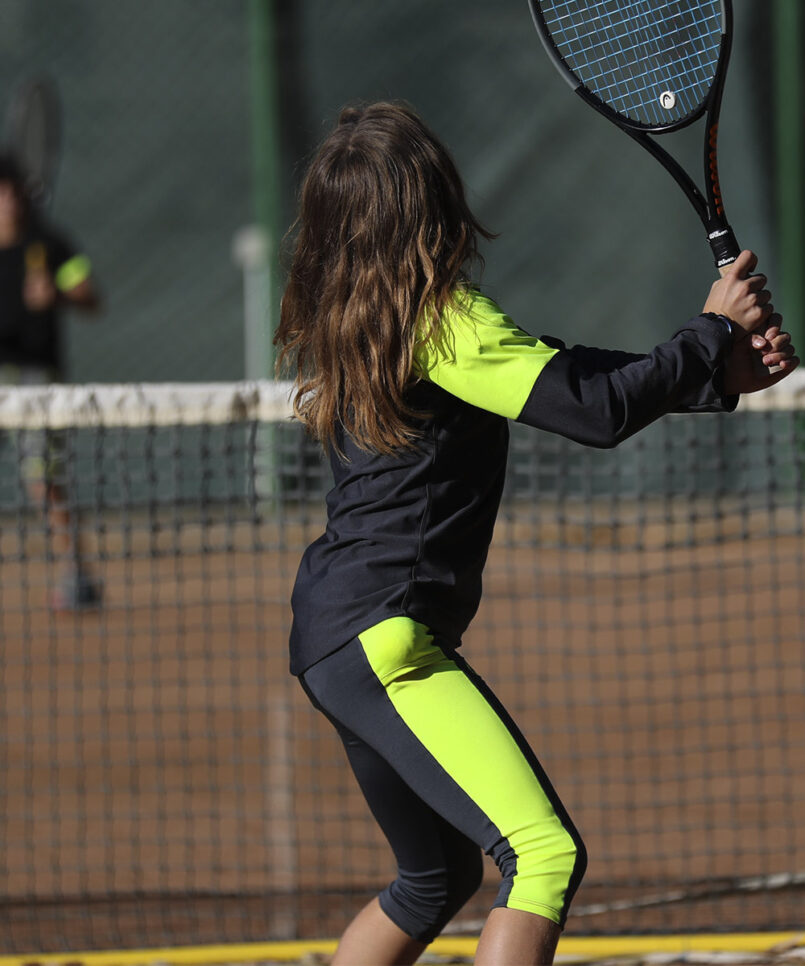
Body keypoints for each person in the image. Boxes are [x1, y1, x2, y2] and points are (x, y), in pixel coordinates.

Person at [273, 102, 798, 966]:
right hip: (384, 638)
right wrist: (709, 329)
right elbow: (594, 411)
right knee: (543, 855)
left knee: (431, 879)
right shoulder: (444, 319)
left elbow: (565, 374)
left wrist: (714, 371)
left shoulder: (363, 323)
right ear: (433, 203)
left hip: (334, 640)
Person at [0, 152, 102, 611]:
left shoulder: (49, 246)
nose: (7, 200)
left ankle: (75, 575)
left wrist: (57, 293)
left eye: (12, 191)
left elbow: (90, 294)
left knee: (44, 481)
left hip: (37, 381)